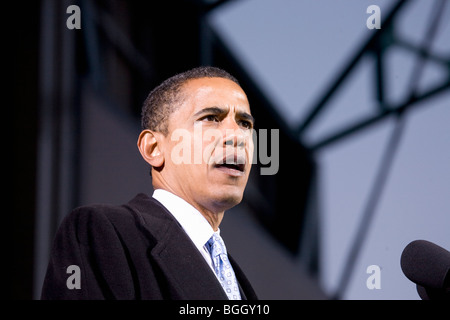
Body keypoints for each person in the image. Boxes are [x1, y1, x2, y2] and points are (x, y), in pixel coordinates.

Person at [40, 66, 258, 300]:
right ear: (153, 148)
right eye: (211, 118)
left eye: (245, 124)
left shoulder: (237, 279)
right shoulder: (102, 233)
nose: (237, 137)